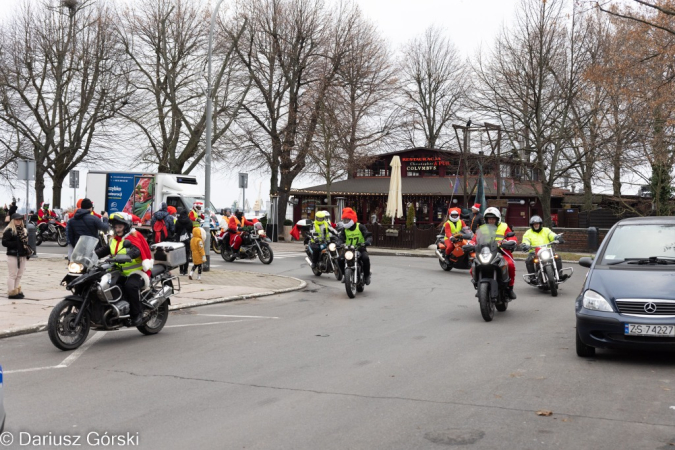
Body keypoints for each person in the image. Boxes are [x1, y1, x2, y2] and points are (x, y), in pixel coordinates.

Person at [95, 212, 153, 326]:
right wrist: (89, 255)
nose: (118, 229)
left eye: (120, 227)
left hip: (138, 272)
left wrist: (128, 256)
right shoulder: (114, 240)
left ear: (126, 227)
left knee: (130, 286)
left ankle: (137, 314)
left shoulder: (133, 237)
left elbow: (136, 250)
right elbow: (103, 250)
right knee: (101, 282)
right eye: (116, 227)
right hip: (120, 271)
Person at [469, 207, 518, 299]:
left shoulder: (504, 226)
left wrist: (511, 242)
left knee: (510, 265)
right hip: (485, 252)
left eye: (493, 218)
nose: (491, 220)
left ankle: (510, 288)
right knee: (473, 267)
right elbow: (474, 239)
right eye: (489, 219)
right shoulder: (482, 228)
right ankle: (478, 285)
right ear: (486, 219)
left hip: (501, 252)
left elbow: (512, 237)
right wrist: (470, 244)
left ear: (497, 219)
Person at [522, 215, 568, 281]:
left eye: (537, 223)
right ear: (532, 225)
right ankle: (532, 277)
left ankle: (559, 275)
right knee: (528, 260)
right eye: (534, 224)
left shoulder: (546, 230)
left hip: (547, 251)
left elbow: (552, 235)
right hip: (534, 253)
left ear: (540, 224)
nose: (536, 225)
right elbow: (526, 240)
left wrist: (557, 238)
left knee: (557, 257)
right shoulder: (528, 233)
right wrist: (525, 245)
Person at [337, 207, 373, 285]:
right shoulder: (344, 229)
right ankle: (344, 275)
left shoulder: (360, 226)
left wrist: (368, 241)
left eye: (347, 220)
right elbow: (341, 238)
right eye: (344, 220)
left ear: (352, 219)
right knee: (340, 259)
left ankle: (367, 275)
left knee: (365, 258)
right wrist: (338, 243)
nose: (345, 222)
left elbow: (367, 235)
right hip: (349, 249)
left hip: (360, 248)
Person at [2, 213, 32, 299]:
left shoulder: (24, 230)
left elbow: (25, 243)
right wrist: (16, 244)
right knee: (13, 274)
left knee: (19, 274)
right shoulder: (9, 230)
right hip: (13, 254)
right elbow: (4, 242)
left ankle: (16, 290)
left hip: (22, 255)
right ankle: (11, 292)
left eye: (20, 219)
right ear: (13, 220)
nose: (18, 221)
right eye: (16, 220)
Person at [173, 208, 193, 276]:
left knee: (180, 255)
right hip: (187, 240)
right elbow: (191, 230)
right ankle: (185, 270)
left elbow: (175, 230)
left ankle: (181, 270)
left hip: (179, 241)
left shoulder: (178, 222)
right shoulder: (190, 221)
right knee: (187, 255)